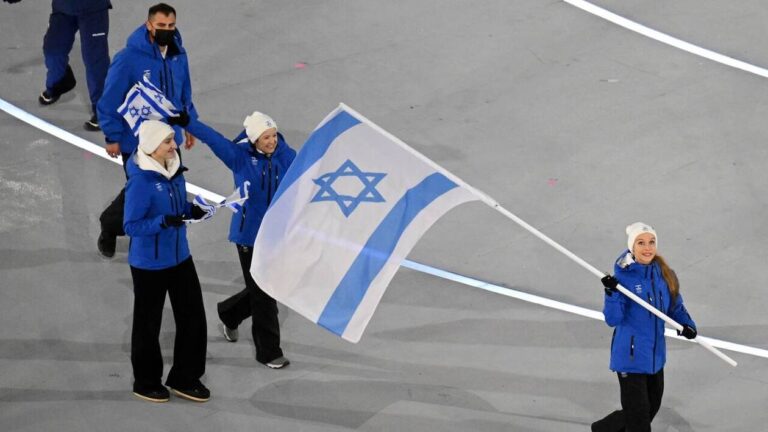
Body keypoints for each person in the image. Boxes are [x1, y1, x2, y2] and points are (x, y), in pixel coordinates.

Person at [176, 110, 296, 369]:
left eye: (274, 135)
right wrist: (188, 123)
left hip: (276, 235)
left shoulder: (288, 156)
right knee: (264, 296)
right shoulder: (239, 157)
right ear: (254, 139)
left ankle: (229, 314)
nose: (272, 141)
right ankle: (269, 352)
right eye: (266, 137)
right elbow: (213, 138)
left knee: (266, 288)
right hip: (249, 236)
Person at [96, 2, 198, 259]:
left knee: (169, 188)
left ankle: (164, 239)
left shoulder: (178, 55)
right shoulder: (128, 59)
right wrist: (112, 136)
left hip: (169, 138)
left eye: (171, 25)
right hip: (137, 144)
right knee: (142, 190)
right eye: (161, 25)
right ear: (149, 25)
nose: (167, 30)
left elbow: (184, 92)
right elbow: (109, 100)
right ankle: (111, 225)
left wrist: (190, 124)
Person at [123, 119, 209, 403]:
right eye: (168, 142)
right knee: (148, 324)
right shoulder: (140, 183)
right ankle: (146, 382)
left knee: (193, 318)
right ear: (151, 148)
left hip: (180, 256)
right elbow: (131, 226)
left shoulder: (175, 169)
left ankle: (186, 377)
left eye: (173, 140)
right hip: (149, 265)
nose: (175, 145)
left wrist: (192, 210)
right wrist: (163, 221)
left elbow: (179, 207)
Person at [592, 222, 698, 432]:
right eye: (641, 243)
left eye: (651, 242)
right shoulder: (622, 279)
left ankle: (604, 428)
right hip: (630, 358)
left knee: (649, 408)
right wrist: (612, 293)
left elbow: (675, 306)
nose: (647, 248)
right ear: (632, 247)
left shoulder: (665, 275)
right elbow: (613, 319)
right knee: (639, 422)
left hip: (655, 356)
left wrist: (687, 324)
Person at [3, 0, 111, 131]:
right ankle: (60, 82)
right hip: (63, 7)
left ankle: (104, 111)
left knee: (95, 61)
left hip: (93, 10)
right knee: (52, 50)